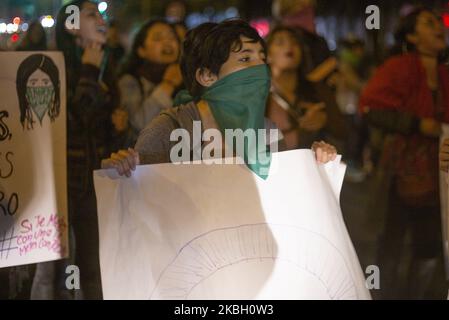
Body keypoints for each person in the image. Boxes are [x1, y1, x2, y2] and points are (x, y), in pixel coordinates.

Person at [101, 20, 337, 178]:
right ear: (207, 76)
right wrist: (120, 169)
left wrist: (316, 163)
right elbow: (138, 200)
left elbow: (284, 191)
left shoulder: (267, 132)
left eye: (262, 59)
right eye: (245, 60)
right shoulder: (168, 129)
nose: (260, 70)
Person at [360, 7, 449, 299]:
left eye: (438, 22)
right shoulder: (397, 68)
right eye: (428, 23)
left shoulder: (446, 73)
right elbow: (370, 109)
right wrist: (416, 123)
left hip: (440, 172)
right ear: (412, 35)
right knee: (392, 241)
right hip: (399, 170)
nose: (438, 26)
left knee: (431, 242)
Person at [54, 0, 119, 299]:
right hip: (67, 186)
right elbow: (77, 115)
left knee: (95, 268)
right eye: (91, 14)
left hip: (98, 183)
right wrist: (90, 68)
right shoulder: (58, 67)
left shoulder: (107, 65)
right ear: (72, 27)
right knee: (63, 271)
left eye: (101, 13)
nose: (101, 19)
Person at [118, 19, 182, 139]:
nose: (168, 41)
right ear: (141, 50)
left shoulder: (188, 80)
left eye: (172, 37)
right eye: (158, 38)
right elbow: (139, 125)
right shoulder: (130, 81)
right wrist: (167, 85)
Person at [266, 25, 327, 150]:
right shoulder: (257, 95)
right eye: (280, 42)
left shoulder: (318, 90)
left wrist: (324, 120)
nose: (289, 45)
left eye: (294, 42)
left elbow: (343, 132)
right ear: (267, 55)